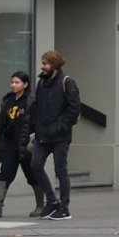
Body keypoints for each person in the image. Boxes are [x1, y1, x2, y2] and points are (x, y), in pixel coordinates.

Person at [0, 72, 44, 218]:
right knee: (5, 174)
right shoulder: (8, 99)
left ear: (25, 84)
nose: (13, 85)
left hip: (25, 144)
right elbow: (0, 118)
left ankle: (41, 205)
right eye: (12, 82)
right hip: (9, 144)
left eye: (17, 82)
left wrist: (34, 140)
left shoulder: (31, 101)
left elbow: (37, 122)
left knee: (32, 175)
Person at [31, 50, 81, 221]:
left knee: (61, 170)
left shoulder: (67, 82)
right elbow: (37, 106)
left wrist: (61, 126)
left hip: (60, 136)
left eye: (45, 63)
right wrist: (35, 128)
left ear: (54, 64)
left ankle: (64, 208)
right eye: (42, 63)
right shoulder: (42, 84)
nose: (42, 67)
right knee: (35, 165)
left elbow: (74, 108)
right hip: (42, 135)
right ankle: (52, 200)